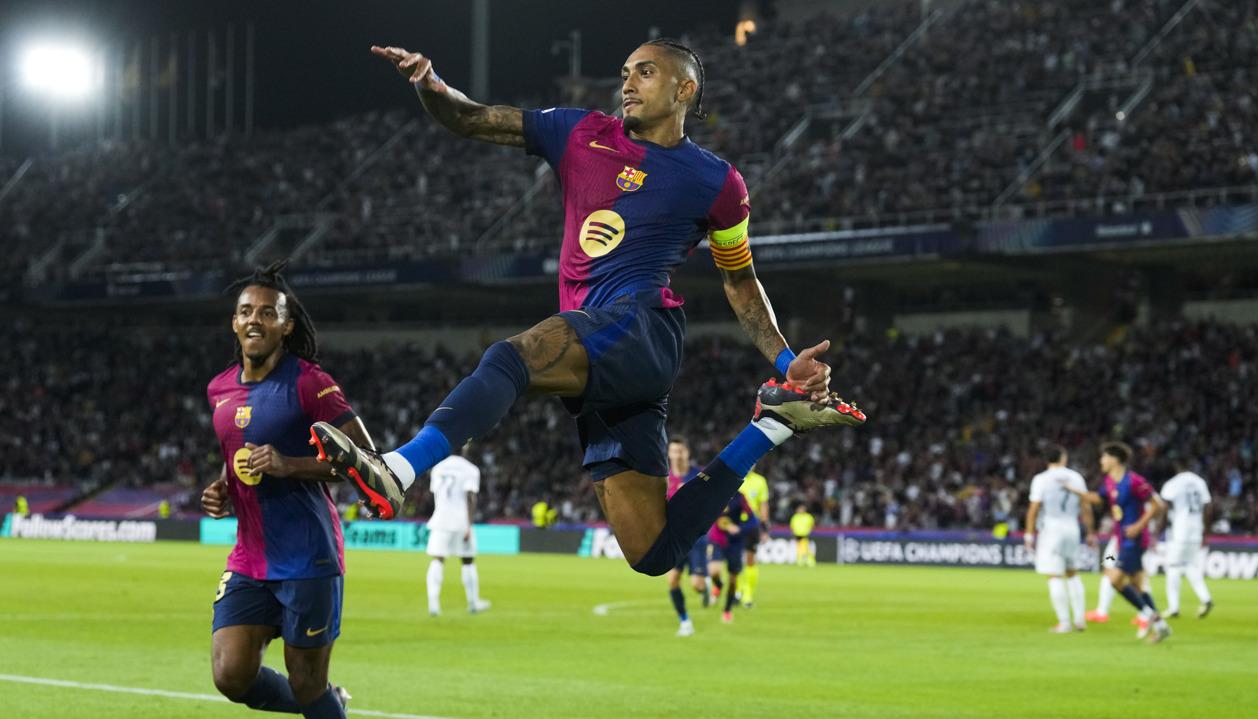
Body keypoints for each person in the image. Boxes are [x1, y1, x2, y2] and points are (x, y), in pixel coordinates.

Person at [311, 40, 866, 580]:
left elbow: (741, 282)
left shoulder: (719, 183)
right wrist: (429, 83)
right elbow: (472, 118)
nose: (627, 82)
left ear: (684, 90)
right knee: (652, 549)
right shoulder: (578, 132)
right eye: (625, 71)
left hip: (642, 328)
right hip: (602, 357)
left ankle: (398, 468)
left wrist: (785, 359)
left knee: (512, 358)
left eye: (645, 72)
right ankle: (771, 427)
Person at [201, 260, 370, 718]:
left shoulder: (310, 382)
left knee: (307, 682)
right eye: (245, 311)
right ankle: (328, 703)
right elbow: (235, 451)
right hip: (250, 555)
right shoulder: (219, 389)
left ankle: (324, 703)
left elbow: (366, 463)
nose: (254, 318)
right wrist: (223, 487)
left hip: (307, 556)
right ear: (234, 322)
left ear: (286, 324)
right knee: (230, 673)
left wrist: (288, 464)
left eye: (267, 312)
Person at [1066, 442, 1170, 642]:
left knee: (1114, 579)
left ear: (1115, 459)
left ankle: (1150, 618)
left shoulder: (1133, 481)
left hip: (1135, 540)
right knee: (1132, 582)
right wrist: (1076, 492)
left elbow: (1157, 505)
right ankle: (1160, 625)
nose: (1101, 461)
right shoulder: (1110, 482)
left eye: (1104, 457)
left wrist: (1140, 526)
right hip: (1119, 541)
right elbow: (1098, 498)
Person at [1024, 445, 1093, 633]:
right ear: (1063, 458)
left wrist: (1029, 534)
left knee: (1054, 575)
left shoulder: (1041, 479)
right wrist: (1091, 532)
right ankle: (1080, 620)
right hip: (1072, 527)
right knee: (1072, 573)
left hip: (1051, 529)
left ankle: (1064, 623)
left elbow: (1034, 508)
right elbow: (1086, 506)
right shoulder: (1076, 477)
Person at [425, 448, 491, 616]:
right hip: (461, 521)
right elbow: (470, 497)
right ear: (464, 448)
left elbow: (436, 494)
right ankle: (473, 603)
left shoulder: (438, 467)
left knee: (438, 559)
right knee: (468, 560)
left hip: (440, 519)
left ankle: (433, 604)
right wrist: (469, 524)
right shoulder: (470, 469)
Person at [663, 437, 708, 637]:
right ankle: (685, 622)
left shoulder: (698, 476)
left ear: (687, 453)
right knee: (672, 580)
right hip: (674, 538)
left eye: (681, 451)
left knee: (696, 586)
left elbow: (708, 503)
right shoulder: (664, 478)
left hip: (695, 539)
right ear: (669, 454)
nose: (678, 455)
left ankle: (704, 587)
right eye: (674, 451)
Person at [1160, 462, 1214, 618]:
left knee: (1173, 567)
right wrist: (1205, 530)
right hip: (1196, 530)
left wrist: (1158, 530)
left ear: (1177, 468)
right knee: (1190, 565)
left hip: (1180, 531)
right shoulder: (1200, 482)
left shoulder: (1173, 483)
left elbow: (1165, 508)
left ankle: (1173, 607)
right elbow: (1208, 507)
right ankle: (1206, 598)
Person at [707, 492, 757, 624]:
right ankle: (718, 585)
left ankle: (727, 610)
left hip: (735, 543)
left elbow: (752, 520)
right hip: (717, 539)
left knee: (733, 579)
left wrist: (739, 528)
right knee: (714, 571)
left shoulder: (740, 498)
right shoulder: (716, 493)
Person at [737, 466, 770, 607]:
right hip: (734, 524)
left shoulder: (760, 481)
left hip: (752, 525)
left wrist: (764, 528)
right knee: (734, 559)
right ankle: (737, 591)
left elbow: (763, 506)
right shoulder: (734, 477)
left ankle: (747, 594)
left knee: (750, 559)